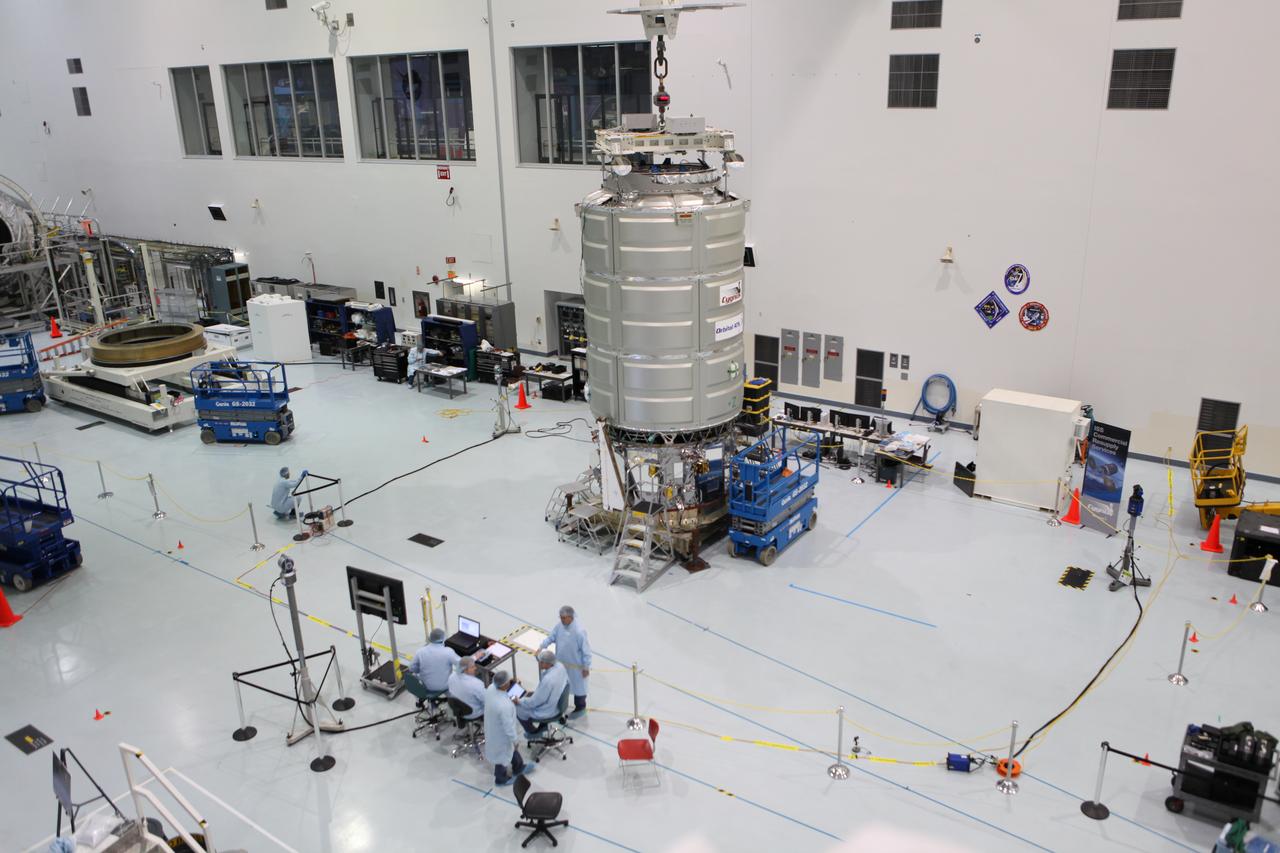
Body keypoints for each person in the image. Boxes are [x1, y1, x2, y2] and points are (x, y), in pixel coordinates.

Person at [539, 605, 591, 713]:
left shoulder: (579, 632)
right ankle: (561, 707)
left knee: (579, 689)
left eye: (564, 618)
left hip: (576, 667)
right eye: (561, 617)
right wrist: (541, 647)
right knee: (561, 687)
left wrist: (586, 667)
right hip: (561, 666)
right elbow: (551, 637)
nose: (562, 620)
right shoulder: (559, 627)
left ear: (570, 617)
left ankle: (580, 706)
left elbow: (586, 652)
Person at [483, 671, 529, 786]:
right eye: (508, 681)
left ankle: (518, 766)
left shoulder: (490, 688)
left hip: (492, 726)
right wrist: (515, 740)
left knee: (509, 751)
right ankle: (500, 778)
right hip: (502, 734)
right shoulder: (504, 706)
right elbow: (508, 727)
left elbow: (501, 695)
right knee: (502, 755)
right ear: (504, 685)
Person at [515, 649, 568, 734]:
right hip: (557, 703)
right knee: (530, 695)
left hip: (548, 711)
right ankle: (542, 727)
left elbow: (535, 702)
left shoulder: (548, 680)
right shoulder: (560, 666)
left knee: (518, 708)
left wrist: (519, 701)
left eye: (541, 662)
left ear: (548, 663)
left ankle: (533, 733)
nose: (539, 663)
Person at [408, 628, 459, 693]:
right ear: (443, 639)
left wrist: (420, 670)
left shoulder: (420, 651)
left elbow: (411, 668)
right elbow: (462, 664)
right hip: (444, 686)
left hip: (424, 686)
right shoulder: (448, 652)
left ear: (430, 639)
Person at [447, 655, 485, 720]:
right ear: (465, 670)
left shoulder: (451, 677)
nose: (475, 668)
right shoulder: (476, 684)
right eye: (472, 667)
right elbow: (487, 701)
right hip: (473, 713)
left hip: (458, 710)